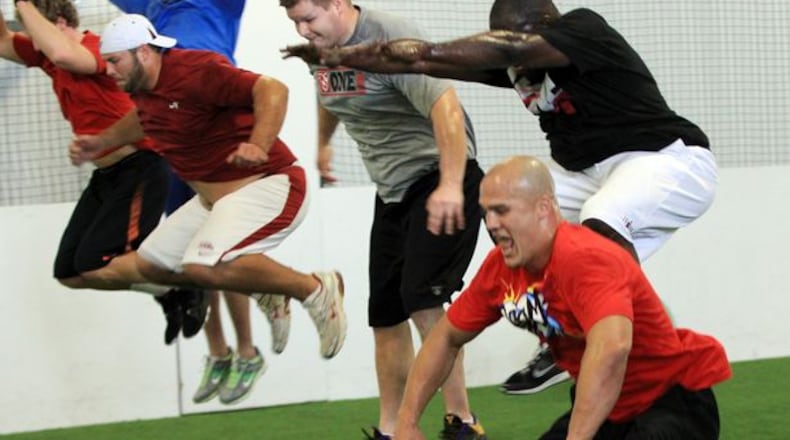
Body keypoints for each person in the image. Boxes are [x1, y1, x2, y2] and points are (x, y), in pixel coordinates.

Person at [282, 0, 719, 396]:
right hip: (592, 172)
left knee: (599, 219)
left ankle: (606, 335)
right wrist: (340, 56)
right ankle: (564, 333)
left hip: (667, 159)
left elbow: (505, 49)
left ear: (541, 30)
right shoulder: (517, 67)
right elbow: (423, 60)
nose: (522, 78)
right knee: (511, 213)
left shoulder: (583, 29)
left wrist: (378, 53)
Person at [69, 13, 348, 371]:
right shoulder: (144, 90)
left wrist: (258, 144)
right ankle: (264, 287)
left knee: (202, 267)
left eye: (114, 61)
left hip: (269, 184)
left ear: (143, 52)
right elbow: (142, 119)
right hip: (213, 202)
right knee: (152, 264)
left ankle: (313, 289)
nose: (108, 71)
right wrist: (101, 142)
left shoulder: (194, 70)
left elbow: (273, 89)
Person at [394, 155, 730, 439]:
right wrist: (406, 423)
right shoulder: (501, 268)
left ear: (543, 208)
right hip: (609, 408)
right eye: (486, 213)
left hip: (670, 403)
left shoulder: (584, 257)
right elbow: (445, 337)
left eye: (502, 210)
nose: (491, 224)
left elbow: (613, 347)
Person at [279, 1, 487, 439]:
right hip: (393, 191)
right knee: (386, 314)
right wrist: (323, 143)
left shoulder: (391, 39)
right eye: (295, 21)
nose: (303, 29)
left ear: (337, 4)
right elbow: (330, 93)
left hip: (441, 175)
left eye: (308, 19)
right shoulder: (323, 47)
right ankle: (392, 430)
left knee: (422, 300)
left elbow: (444, 108)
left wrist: (450, 185)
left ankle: (461, 421)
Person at [108, 0, 289, 405]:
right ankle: (218, 350)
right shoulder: (150, 4)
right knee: (189, 257)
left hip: (215, 130)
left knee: (222, 253)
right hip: (175, 137)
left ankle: (246, 350)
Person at [0, 0, 208, 344]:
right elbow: (4, 41)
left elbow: (66, 55)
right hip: (106, 176)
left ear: (61, 22)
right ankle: (172, 293)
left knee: (98, 259)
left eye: (35, 29)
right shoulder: (48, 55)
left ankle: (196, 282)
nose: (32, 42)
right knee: (68, 270)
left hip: (140, 168)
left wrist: (23, 3)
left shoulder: (96, 48)